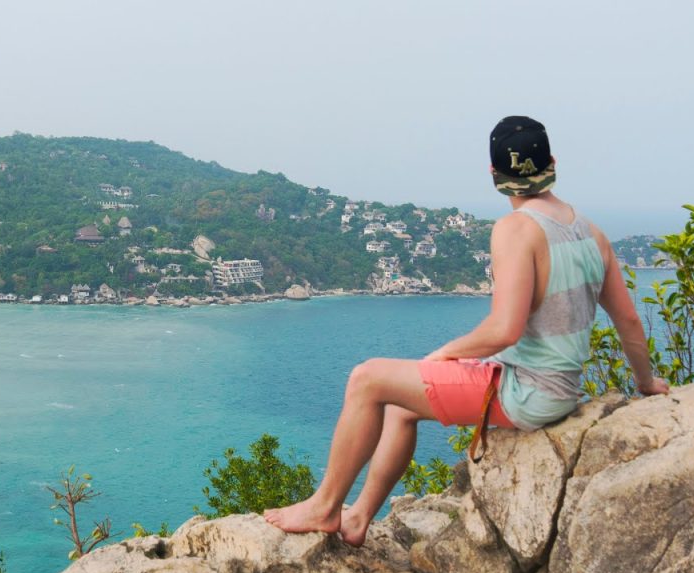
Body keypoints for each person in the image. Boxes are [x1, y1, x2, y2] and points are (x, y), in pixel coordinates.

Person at [264, 116, 670, 546]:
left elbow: (505, 329)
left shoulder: (516, 229)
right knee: (401, 406)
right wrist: (646, 382)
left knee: (367, 379)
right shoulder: (592, 233)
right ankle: (359, 517)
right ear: (551, 162)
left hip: (527, 392)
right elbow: (627, 319)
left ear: (494, 174)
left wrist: (445, 352)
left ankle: (325, 506)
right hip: (562, 389)